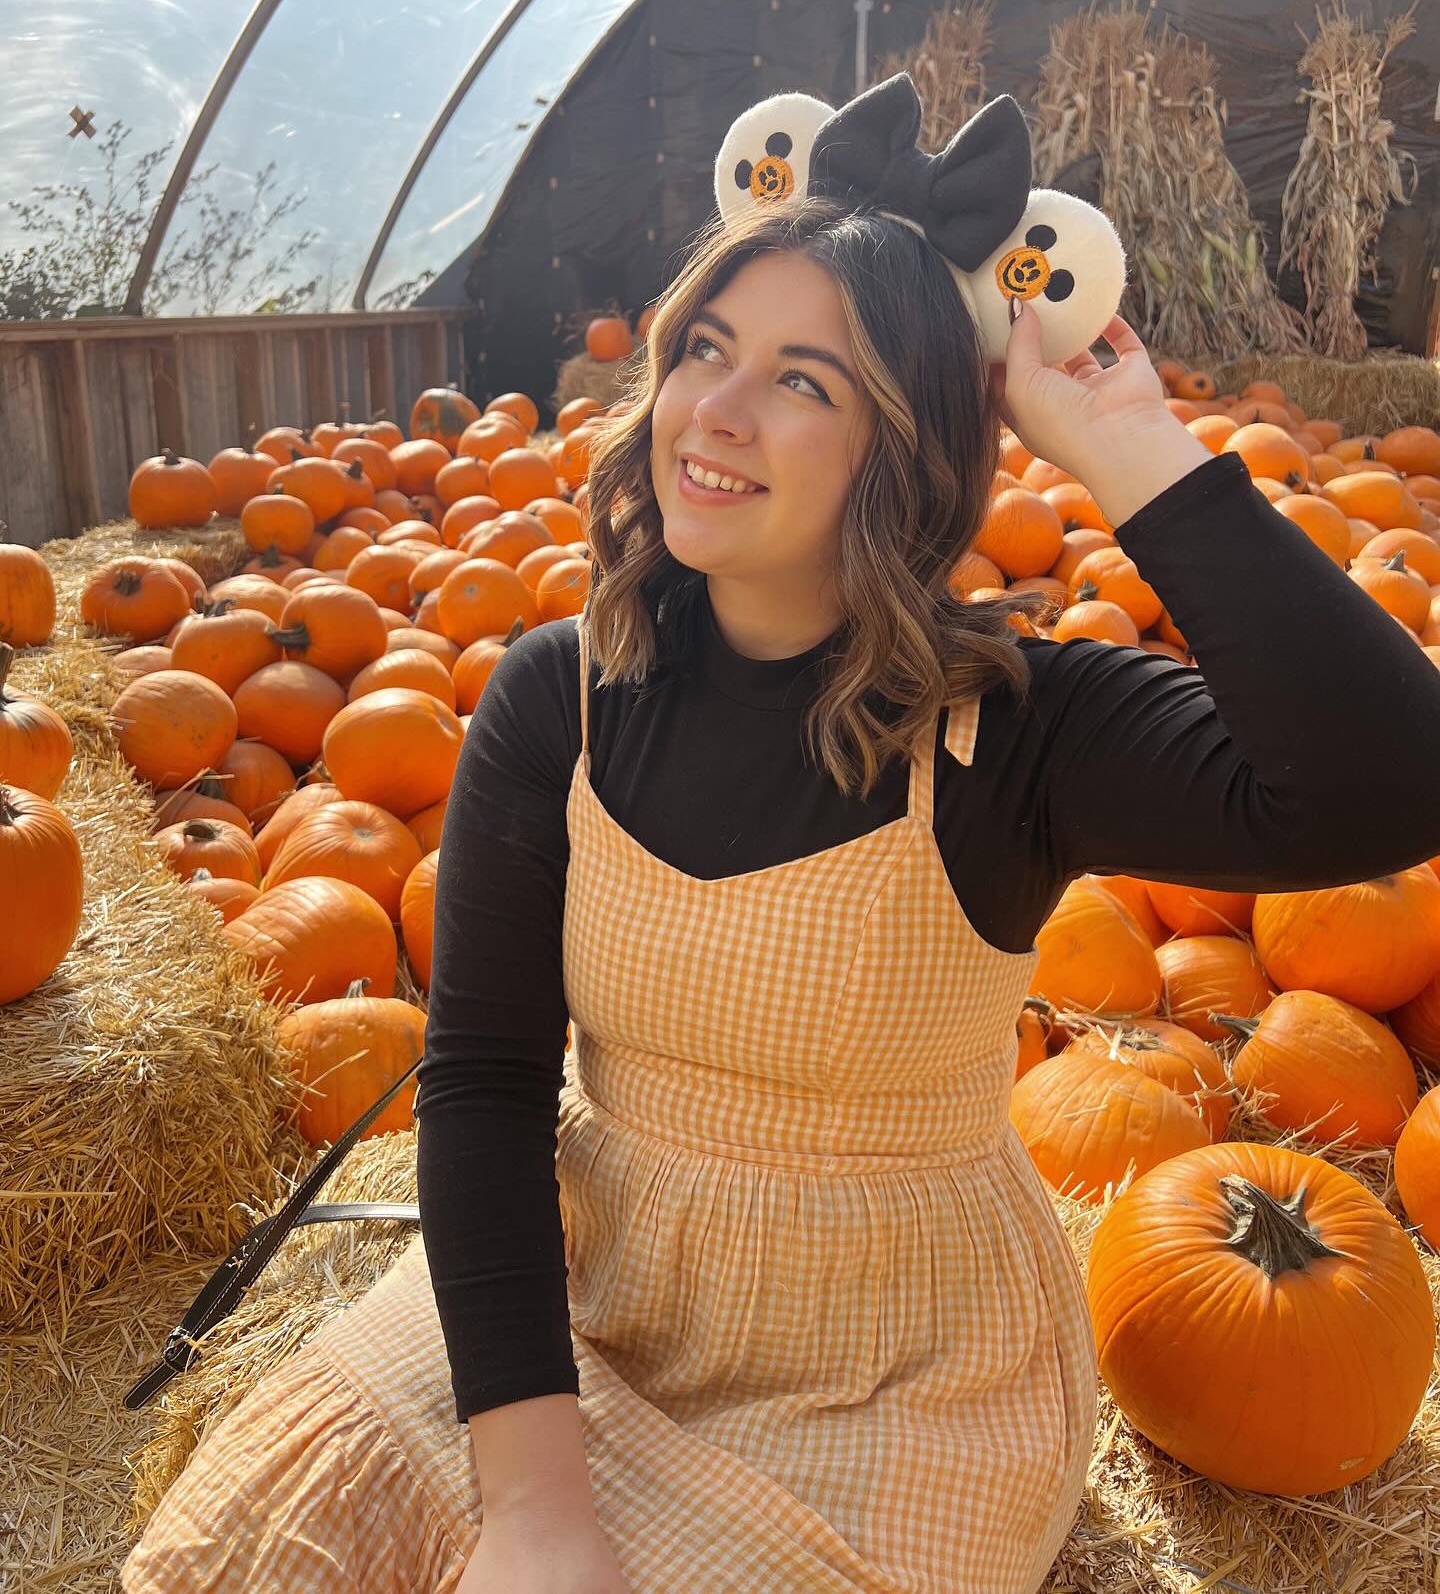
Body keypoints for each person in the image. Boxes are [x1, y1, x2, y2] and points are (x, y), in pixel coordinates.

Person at [120, 84, 1440, 1594]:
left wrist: (1130, 451)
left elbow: (1388, 783)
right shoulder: (560, 698)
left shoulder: (1017, 728)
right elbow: (481, 1087)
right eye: (706, 350)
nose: (718, 415)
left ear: (910, 447)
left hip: (895, 1377)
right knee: (262, 1542)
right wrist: (537, 1505)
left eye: (807, 382)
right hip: (586, 1303)